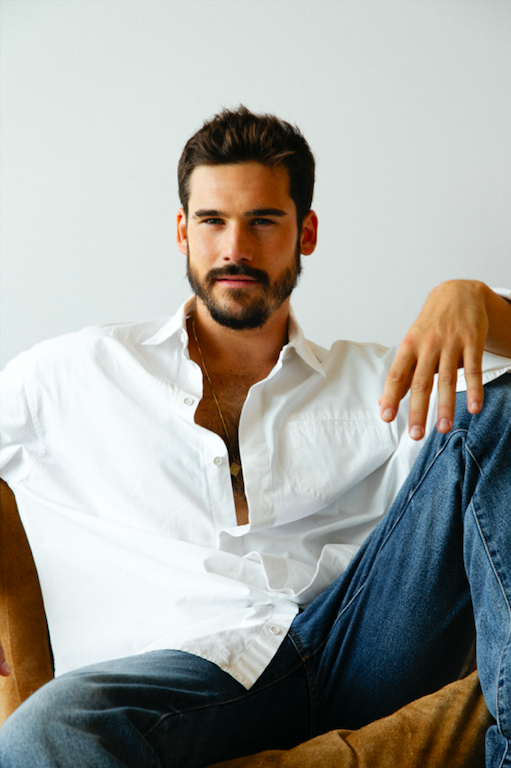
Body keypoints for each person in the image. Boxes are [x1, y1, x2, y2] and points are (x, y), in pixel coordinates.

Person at [0, 105, 510, 768]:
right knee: (45, 731)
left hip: (360, 645)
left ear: (306, 233)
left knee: (498, 401)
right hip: (181, 683)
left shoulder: (380, 378)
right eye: (212, 221)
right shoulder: (75, 373)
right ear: (182, 231)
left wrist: (479, 301)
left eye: (263, 221)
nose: (234, 248)